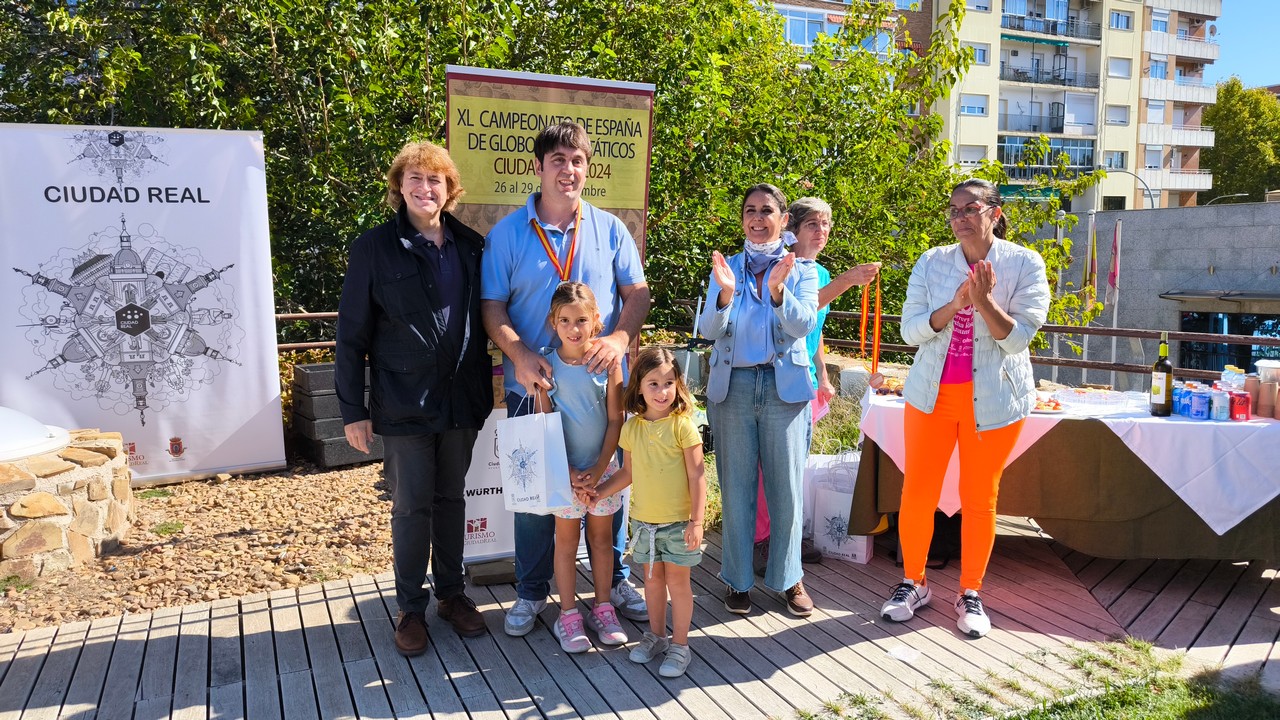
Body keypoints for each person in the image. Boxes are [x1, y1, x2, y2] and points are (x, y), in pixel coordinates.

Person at [481, 121, 651, 637]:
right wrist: (521, 354)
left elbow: (636, 294)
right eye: (558, 160)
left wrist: (620, 340)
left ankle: (615, 583)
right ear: (538, 167)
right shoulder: (509, 232)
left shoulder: (610, 228)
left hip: (601, 391)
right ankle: (532, 594)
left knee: (604, 488)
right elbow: (491, 306)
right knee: (538, 498)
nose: (568, 170)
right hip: (534, 390)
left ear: (587, 168)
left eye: (577, 161)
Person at [335, 140, 492, 657]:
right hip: (402, 400)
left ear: (450, 190)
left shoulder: (471, 245)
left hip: (460, 399)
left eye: (436, 180)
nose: (426, 189)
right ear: (399, 187)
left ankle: (452, 595)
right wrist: (353, 411)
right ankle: (409, 609)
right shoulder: (374, 248)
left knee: (452, 500)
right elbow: (352, 334)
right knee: (411, 506)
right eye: (416, 179)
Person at [880, 178, 1049, 638]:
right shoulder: (932, 262)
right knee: (918, 493)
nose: (959, 218)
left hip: (994, 401)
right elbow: (910, 332)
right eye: (953, 210)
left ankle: (969, 592)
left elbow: (1017, 339)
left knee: (980, 500)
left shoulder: (1025, 263)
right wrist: (954, 306)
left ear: (994, 212)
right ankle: (913, 583)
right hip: (930, 396)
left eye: (969, 209)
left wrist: (985, 301)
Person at [698, 183, 819, 617]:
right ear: (742, 218)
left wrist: (778, 293)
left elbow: (804, 325)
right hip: (734, 389)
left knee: (786, 489)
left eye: (767, 210)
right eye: (750, 210)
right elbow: (708, 329)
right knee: (736, 486)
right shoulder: (724, 267)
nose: (757, 217)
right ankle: (736, 579)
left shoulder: (800, 270)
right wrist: (725, 295)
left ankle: (790, 579)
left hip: (783, 390)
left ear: (783, 220)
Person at [752, 197, 881, 575]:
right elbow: (797, 314)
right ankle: (762, 539)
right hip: (775, 376)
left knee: (794, 462)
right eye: (813, 224)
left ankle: (785, 536)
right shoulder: (784, 265)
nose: (821, 232)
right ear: (793, 228)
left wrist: (822, 374)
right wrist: (847, 281)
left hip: (802, 377)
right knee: (766, 464)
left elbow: (815, 330)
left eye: (826, 225)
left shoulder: (821, 272)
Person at [582, 347, 706, 678]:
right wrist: (598, 494)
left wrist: (697, 521)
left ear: (678, 385)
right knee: (651, 582)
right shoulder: (631, 428)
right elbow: (626, 474)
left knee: (678, 584)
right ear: (638, 386)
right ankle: (656, 636)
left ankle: (681, 645)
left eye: (669, 383)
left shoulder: (684, 426)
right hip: (645, 524)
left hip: (679, 524)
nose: (662, 391)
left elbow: (698, 476)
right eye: (653, 383)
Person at [530, 282, 628, 653]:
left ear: (596, 322)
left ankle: (603, 608)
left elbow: (616, 420)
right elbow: (546, 422)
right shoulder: (546, 364)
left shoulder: (608, 364)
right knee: (567, 543)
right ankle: (568, 615)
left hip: (603, 473)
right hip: (563, 472)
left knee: (602, 542)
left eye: (582, 320)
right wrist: (570, 473)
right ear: (553, 322)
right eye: (566, 320)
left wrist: (600, 469)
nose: (574, 328)